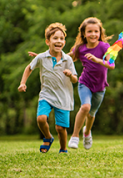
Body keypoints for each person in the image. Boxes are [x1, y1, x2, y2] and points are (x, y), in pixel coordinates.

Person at [18, 23, 78, 153]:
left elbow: (75, 79)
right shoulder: (41, 57)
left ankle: (63, 149)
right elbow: (29, 68)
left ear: (64, 42)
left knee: (61, 128)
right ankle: (48, 137)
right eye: (55, 38)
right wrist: (23, 83)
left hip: (63, 97)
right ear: (47, 41)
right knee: (41, 118)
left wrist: (70, 75)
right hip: (46, 95)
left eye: (61, 38)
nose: (59, 41)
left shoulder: (68, 59)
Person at [67, 17, 114, 150]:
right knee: (86, 107)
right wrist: (47, 57)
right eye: (89, 31)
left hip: (100, 87)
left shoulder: (105, 47)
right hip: (85, 83)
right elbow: (67, 57)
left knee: (92, 114)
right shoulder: (80, 48)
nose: (93, 34)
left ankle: (87, 132)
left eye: (96, 31)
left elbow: (112, 65)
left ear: (100, 33)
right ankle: (75, 137)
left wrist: (98, 60)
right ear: (84, 34)